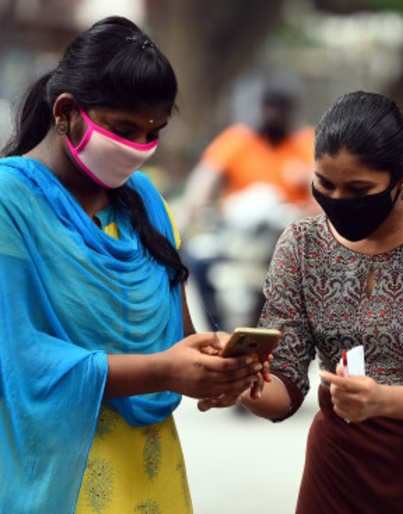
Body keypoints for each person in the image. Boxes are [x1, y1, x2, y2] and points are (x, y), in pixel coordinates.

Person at [0, 17, 266, 513]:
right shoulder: (9, 201)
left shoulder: (144, 201)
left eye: (154, 132)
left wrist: (216, 364)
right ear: (66, 112)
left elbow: (176, 334)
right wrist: (165, 370)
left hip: (149, 471)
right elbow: (19, 358)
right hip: (53, 475)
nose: (139, 147)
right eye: (124, 128)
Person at [199, 91, 403, 513]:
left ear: (401, 180)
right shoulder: (301, 244)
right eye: (325, 185)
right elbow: (285, 386)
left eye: (359, 188)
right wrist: (239, 383)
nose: (339, 200)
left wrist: (380, 401)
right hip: (340, 472)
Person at [176, 78, 317, 329]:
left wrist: (306, 178)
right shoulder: (237, 140)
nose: (272, 114)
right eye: (268, 107)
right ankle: (219, 331)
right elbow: (205, 179)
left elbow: (325, 190)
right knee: (198, 258)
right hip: (237, 236)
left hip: (287, 238)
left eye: (279, 108)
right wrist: (189, 214)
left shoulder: (306, 143)